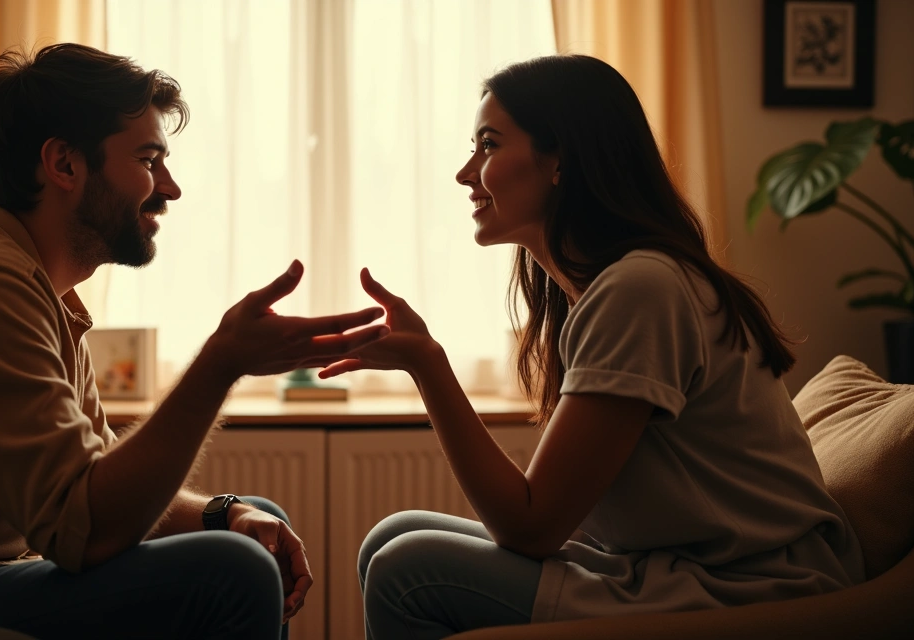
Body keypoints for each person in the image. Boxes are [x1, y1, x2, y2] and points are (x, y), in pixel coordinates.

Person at [0, 43, 389, 640]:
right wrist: (219, 365)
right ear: (64, 163)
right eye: (148, 160)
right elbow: (86, 527)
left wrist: (226, 511)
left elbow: (97, 477)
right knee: (233, 570)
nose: (169, 189)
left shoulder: (31, 286)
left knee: (253, 524)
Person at [322, 55, 865, 640]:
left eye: (488, 146)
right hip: (673, 565)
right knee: (391, 536)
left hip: (746, 585)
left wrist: (429, 366)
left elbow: (530, 527)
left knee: (406, 571)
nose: (464, 172)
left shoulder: (642, 289)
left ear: (559, 161)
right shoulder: (612, 291)